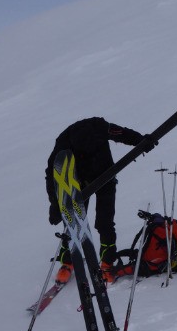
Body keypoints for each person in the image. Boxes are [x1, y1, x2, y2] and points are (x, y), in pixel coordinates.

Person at [45, 117, 154, 284]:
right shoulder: (63, 143)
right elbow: (52, 174)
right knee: (72, 221)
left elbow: (122, 133)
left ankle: (107, 263)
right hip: (79, 183)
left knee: (105, 222)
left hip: (105, 177)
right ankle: (68, 261)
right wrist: (55, 204)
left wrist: (140, 140)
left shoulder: (101, 127)